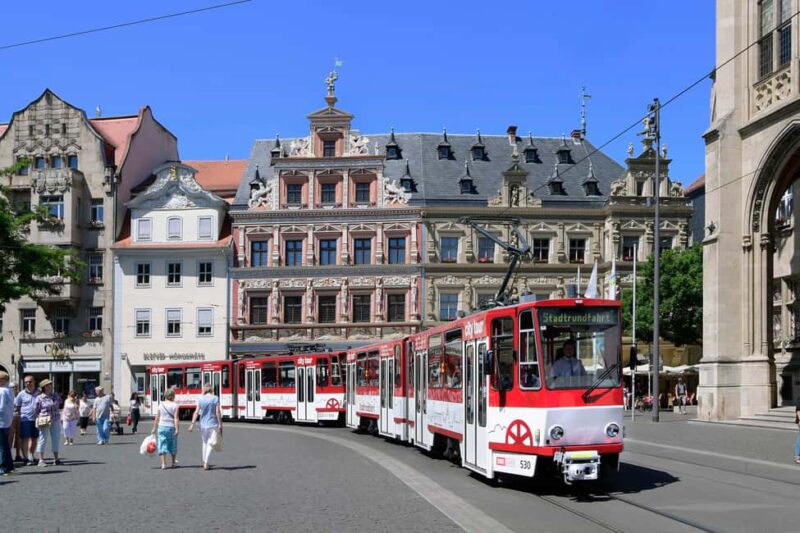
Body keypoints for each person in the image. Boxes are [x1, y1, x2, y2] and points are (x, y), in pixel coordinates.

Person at [189, 384, 222, 470]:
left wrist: (192, 424)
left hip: (202, 424)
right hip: (213, 423)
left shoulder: (200, 399)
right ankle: (206, 463)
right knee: (211, 442)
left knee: (204, 442)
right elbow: (218, 412)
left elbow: (196, 412)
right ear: (211, 389)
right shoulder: (215, 398)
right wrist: (220, 424)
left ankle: (204, 461)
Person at [34, 379, 62, 467]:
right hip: (44, 419)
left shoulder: (55, 395)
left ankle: (56, 459)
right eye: (48, 385)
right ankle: (41, 460)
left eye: (50, 384)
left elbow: (59, 404)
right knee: (43, 439)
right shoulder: (39, 397)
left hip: (55, 419)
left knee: (56, 439)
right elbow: (36, 410)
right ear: (44, 387)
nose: (50, 386)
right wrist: (40, 418)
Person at [151, 388, 180, 470]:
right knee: (173, 445)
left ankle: (163, 463)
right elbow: (176, 418)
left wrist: (154, 428)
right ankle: (173, 462)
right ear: (172, 396)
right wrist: (177, 429)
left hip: (161, 426)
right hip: (171, 427)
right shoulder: (175, 405)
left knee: (162, 444)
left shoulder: (161, 404)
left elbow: (157, 417)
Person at [14, 375, 39, 465]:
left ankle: (31, 455)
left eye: (30, 381)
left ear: (34, 382)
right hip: (25, 419)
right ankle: (25, 458)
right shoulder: (21, 394)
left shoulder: (39, 392)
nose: (28, 383)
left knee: (35, 438)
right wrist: (22, 415)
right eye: (26, 382)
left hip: (37, 419)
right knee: (25, 438)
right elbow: (18, 406)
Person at [0, 371, 15, 476]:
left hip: (1, 421)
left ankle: (2, 467)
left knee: (1, 445)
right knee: (5, 444)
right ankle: (9, 465)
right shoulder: (10, 390)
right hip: (7, 421)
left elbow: (0, 407)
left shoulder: (1, 391)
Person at [9, 382, 23, 463]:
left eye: (16, 387)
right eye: (13, 387)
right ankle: (9, 455)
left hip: (20, 417)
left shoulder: (20, 396)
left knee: (19, 437)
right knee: (10, 438)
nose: (15, 388)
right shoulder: (8, 396)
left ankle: (18, 455)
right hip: (11, 418)